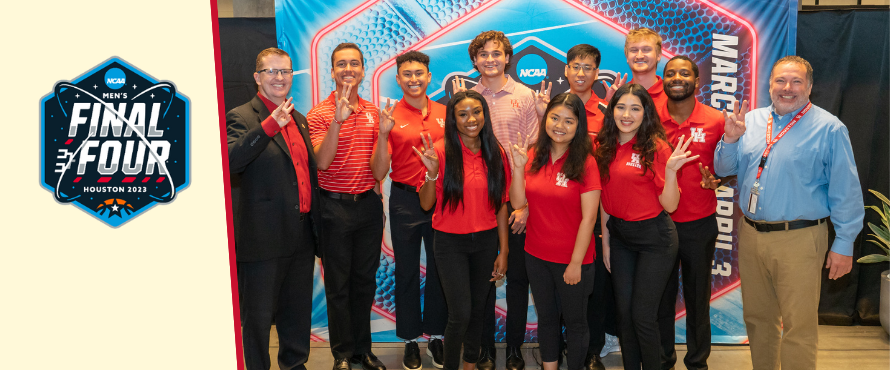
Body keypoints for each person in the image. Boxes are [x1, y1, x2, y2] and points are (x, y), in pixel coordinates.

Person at [714, 55, 864, 370]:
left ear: (809, 87)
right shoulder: (751, 121)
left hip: (801, 237)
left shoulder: (829, 128)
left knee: (799, 324)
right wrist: (730, 139)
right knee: (758, 318)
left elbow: (845, 190)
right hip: (752, 235)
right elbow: (723, 168)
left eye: (796, 81)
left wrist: (845, 242)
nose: (788, 88)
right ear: (769, 85)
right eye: (781, 80)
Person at [452, 30, 542, 370]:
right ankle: (483, 349)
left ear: (508, 57)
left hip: (516, 201)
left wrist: (524, 204)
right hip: (481, 205)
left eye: (497, 53)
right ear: (474, 61)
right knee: (484, 284)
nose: (490, 59)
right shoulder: (467, 99)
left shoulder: (526, 96)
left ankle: (515, 349)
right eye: (483, 54)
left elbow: (536, 153)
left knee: (517, 279)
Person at [595, 84, 699, 370]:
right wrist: (605, 241)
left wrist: (670, 172)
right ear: (612, 110)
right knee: (624, 315)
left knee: (642, 316)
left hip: (655, 239)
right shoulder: (603, 146)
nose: (626, 115)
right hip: (619, 238)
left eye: (635, 108)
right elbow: (605, 199)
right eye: (621, 107)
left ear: (646, 113)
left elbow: (670, 205)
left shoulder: (657, 147)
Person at [226, 47, 318, 370]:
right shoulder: (242, 116)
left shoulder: (300, 119)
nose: (279, 78)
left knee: (296, 315)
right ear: (257, 77)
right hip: (262, 240)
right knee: (258, 320)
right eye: (271, 71)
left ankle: (295, 364)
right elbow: (232, 160)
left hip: (301, 236)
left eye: (285, 72)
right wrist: (268, 126)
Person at [415, 90, 511, 370]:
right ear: (453, 119)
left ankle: (470, 364)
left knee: (479, 310)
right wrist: (432, 171)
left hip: (485, 242)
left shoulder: (496, 152)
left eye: (477, 112)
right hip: (450, 244)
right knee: (460, 314)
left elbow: (502, 205)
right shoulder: (441, 151)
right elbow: (425, 203)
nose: (472, 119)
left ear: (485, 114)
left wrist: (503, 251)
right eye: (463, 114)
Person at [508, 93, 602, 370]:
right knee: (546, 319)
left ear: (579, 126)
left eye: (569, 121)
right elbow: (517, 203)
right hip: (535, 256)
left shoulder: (586, 162)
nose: (560, 125)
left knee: (575, 323)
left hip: (574, 261)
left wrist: (575, 264)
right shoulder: (534, 154)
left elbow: (589, 219)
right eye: (554, 117)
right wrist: (516, 168)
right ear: (545, 119)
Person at [307, 42, 386, 370]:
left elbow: (380, 171)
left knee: (365, 284)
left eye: (354, 63)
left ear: (364, 70)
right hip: (333, 210)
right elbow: (322, 162)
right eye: (342, 64)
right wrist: (338, 121)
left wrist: (384, 135)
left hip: (368, 208)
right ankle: (341, 354)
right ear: (333, 71)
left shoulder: (374, 112)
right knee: (338, 287)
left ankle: (362, 351)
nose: (348, 69)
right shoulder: (319, 114)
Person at [370, 50, 447, 369]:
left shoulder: (446, 111)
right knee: (406, 271)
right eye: (407, 74)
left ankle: (437, 337)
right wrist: (384, 133)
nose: (414, 79)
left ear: (429, 77)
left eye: (420, 73)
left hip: (442, 199)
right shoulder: (389, 115)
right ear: (399, 79)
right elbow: (378, 172)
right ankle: (410, 340)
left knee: (441, 269)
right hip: (404, 200)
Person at [655, 56, 726, 370]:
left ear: (697, 82)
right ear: (664, 80)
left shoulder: (717, 120)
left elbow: (732, 166)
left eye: (684, 73)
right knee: (660, 299)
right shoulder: (650, 119)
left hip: (699, 224)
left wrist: (722, 179)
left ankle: (697, 362)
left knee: (698, 299)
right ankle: (663, 359)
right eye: (670, 73)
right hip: (658, 225)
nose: (677, 78)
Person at [564, 43, 618, 370]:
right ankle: (565, 344)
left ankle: (592, 349)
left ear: (596, 73)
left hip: (596, 211)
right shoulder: (555, 108)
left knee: (595, 286)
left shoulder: (607, 112)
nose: (581, 73)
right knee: (562, 282)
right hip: (559, 209)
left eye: (588, 67)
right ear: (566, 70)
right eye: (575, 66)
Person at [606, 28, 666, 110]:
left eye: (646, 50)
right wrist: (611, 105)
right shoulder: (618, 95)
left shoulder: (671, 94)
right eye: (634, 50)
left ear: (658, 55)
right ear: (627, 56)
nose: (639, 56)